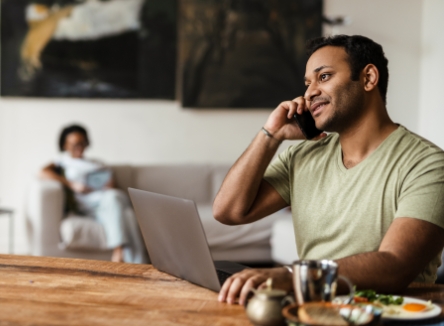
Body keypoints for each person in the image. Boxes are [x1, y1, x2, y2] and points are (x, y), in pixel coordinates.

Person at [213, 34, 444, 305]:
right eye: (307, 83)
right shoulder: (301, 156)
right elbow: (228, 212)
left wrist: (291, 275)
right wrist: (271, 134)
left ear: (369, 78)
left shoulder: (428, 165)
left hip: (389, 317)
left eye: (323, 77)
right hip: (313, 313)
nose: (309, 92)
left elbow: (395, 265)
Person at [41, 124, 147, 263]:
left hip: (109, 198)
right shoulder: (62, 162)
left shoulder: (96, 162)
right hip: (90, 205)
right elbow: (42, 172)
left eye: (82, 143)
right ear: (65, 145)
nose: (79, 147)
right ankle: (129, 257)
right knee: (129, 217)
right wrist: (72, 184)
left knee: (113, 197)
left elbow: (113, 186)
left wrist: (110, 183)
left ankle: (123, 257)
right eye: (75, 144)